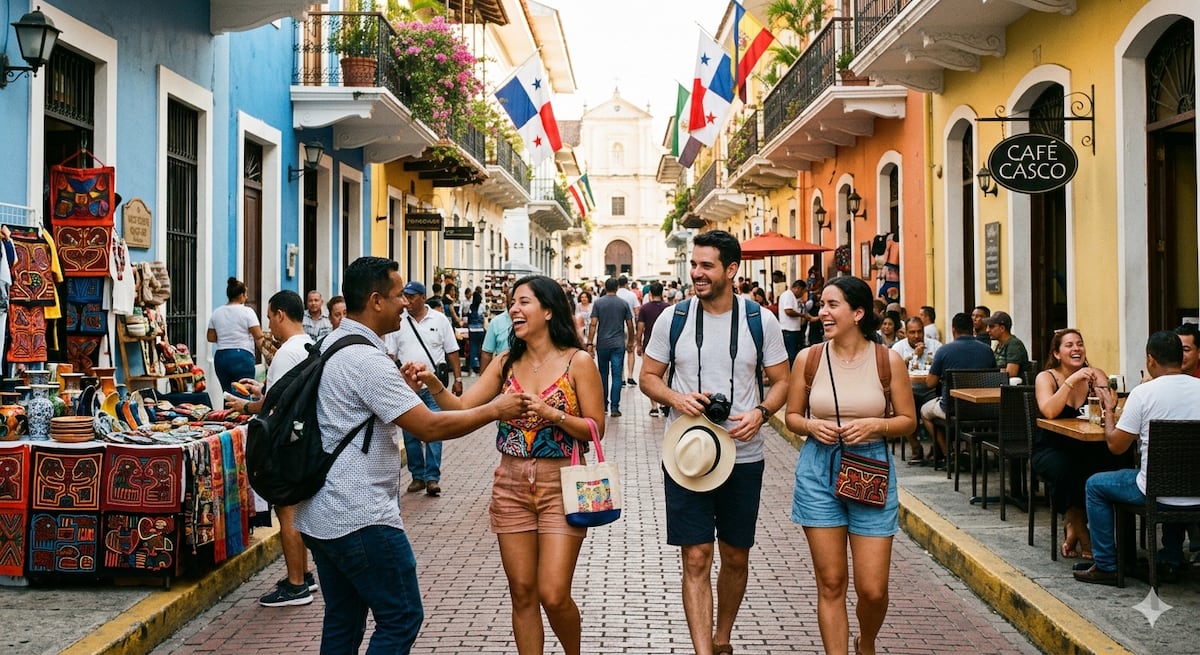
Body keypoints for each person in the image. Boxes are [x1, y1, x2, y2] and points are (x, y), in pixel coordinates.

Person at [292, 256, 528, 653]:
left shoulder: (333, 342)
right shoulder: (366, 359)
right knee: (401, 617)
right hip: (360, 515)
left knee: (343, 619)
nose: (407, 303)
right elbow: (430, 427)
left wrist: (399, 387)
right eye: (399, 294)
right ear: (376, 301)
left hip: (320, 513)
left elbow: (355, 408)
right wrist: (496, 410)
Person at [406, 274, 605, 655]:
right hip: (510, 485)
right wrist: (434, 383)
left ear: (548, 311)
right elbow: (463, 408)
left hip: (560, 485)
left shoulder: (578, 362)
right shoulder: (505, 362)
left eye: (525, 301)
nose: (514, 308)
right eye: (513, 302)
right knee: (522, 593)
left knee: (553, 592)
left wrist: (552, 413)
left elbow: (596, 426)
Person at [639, 229, 790, 655]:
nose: (697, 273)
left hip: (744, 456)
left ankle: (722, 637)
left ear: (732, 269)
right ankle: (704, 650)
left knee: (736, 556)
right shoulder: (675, 318)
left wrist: (761, 413)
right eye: (694, 264)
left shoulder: (762, 321)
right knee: (697, 555)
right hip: (687, 455)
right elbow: (648, 376)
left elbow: (782, 381)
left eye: (707, 266)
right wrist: (676, 397)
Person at [785, 276, 916, 655]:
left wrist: (877, 425)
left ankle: (867, 641)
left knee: (872, 589)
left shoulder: (886, 360)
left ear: (858, 313)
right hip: (818, 469)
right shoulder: (807, 359)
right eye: (821, 305)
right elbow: (792, 416)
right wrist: (811, 425)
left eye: (832, 305)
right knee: (830, 583)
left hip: (870, 466)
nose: (822, 312)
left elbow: (908, 420)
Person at [1074, 331, 1200, 585]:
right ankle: (1171, 557)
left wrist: (1109, 411)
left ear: (1150, 360)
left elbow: (1117, 447)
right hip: (1196, 489)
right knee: (1174, 478)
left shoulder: (1143, 394)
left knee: (1095, 485)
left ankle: (1107, 565)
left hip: (1156, 494)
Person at [223, 290, 318, 607]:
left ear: (280, 314)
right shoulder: (307, 346)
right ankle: (303, 575)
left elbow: (272, 404)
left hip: (285, 441)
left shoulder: (286, 352)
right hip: (302, 438)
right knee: (297, 509)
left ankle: (295, 585)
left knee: (286, 510)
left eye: (269, 317)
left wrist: (245, 404)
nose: (268, 325)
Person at [1032, 328, 1127, 560]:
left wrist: (1108, 398)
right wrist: (1071, 381)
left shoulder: (1096, 375)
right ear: (1056, 353)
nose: (1076, 349)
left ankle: (1113, 539)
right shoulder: (1046, 378)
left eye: (1080, 344)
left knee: (1117, 460)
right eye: (1069, 345)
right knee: (1067, 469)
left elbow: (1108, 408)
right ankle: (1084, 534)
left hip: (1088, 446)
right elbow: (1050, 411)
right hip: (1052, 447)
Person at [385, 281, 463, 497]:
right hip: (408, 385)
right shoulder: (398, 321)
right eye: (405, 297)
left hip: (433, 385)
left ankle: (432, 478)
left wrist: (457, 378)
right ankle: (417, 476)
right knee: (410, 433)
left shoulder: (439, 320)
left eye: (411, 297)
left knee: (435, 430)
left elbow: (452, 350)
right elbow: (391, 354)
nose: (407, 301)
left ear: (422, 297)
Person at [919, 313, 995, 469]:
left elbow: (930, 383)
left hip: (952, 408)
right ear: (972, 329)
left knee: (924, 412)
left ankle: (949, 454)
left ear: (953, 330)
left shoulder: (944, 350)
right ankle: (969, 451)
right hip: (982, 408)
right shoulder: (987, 350)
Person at [586, 278, 634, 417]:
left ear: (605, 288)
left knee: (603, 375)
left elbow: (593, 324)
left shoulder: (598, 303)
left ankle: (603, 405)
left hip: (603, 344)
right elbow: (630, 325)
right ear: (617, 287)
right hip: (618, 344)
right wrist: (630, 341)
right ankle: (615, 407)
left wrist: (590, 342)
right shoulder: (623, 304)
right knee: (617, 375)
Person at [206, 277, 263, 394]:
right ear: (241, 295)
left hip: (221, 356)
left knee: (227, 395)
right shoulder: (247, 312)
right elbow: (258, 335)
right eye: (246, 294)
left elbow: (210, 337)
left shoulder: (217, 312)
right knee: (244, 393)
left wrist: (225, 335)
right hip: (242, 356)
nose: (247, 297)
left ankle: (226, 412)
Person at [635, 282, 670, 417]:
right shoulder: (668, 308)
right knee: (665, 375)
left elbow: (640, 328)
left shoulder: (644, 308)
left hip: (649, 345)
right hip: (667, 345)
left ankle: (654, 406)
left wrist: (638, 343)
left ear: (650, 294)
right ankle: (664, 403)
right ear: (662, 293)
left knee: (651, 375)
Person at [481, 286, 514, 374]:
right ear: (506, 302)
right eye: (512, 303)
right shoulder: (496, 322)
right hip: (503, 373)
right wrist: (483, 380)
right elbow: (487, 353)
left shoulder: (530, 321)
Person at [985, 311, 1029, 378]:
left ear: (1002, 328)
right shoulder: (998, 344)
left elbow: (1011, 373)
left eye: (991, 327)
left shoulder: (1014, 344)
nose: (987, 330)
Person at [615, 276, 641, 386]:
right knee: (631, 351)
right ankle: (630, 375)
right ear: (626, 284)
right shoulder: (632, 295)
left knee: (619, 352)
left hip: (617, 327)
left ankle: (622, 377)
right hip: (630, 326)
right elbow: (636, 312)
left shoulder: (615, 295)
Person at [777, 280, 808, 365]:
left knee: (794, 353)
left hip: (793, 330)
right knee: (791, 355)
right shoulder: (788, 295)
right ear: (798, 288)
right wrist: (802, 315)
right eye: (803, 291)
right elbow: (788, 311)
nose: (802, 294)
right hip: (789, 330)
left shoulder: (792, 296)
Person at [466, 289, 487, 375]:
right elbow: (484, 315)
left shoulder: (471, 306)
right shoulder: (481, 306)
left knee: (473, 348)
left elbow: (468, 317)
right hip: (480, 330)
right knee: (481, 348)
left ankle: (472, 366)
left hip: (472, 330)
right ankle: (481, 365)